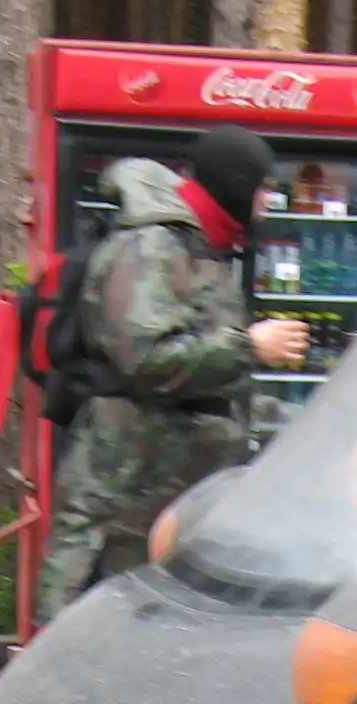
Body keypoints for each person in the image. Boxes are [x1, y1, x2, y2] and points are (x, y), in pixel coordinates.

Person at [36, 127, 310, 616]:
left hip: (163, 507)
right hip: (121, 507)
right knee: (94, 643)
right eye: (262, 189)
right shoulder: (150, 246)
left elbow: (207, 392)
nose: (267, 202)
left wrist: (298, 422)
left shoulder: (200, 249)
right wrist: (250, 346)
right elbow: (146, 359)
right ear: (235, 185)